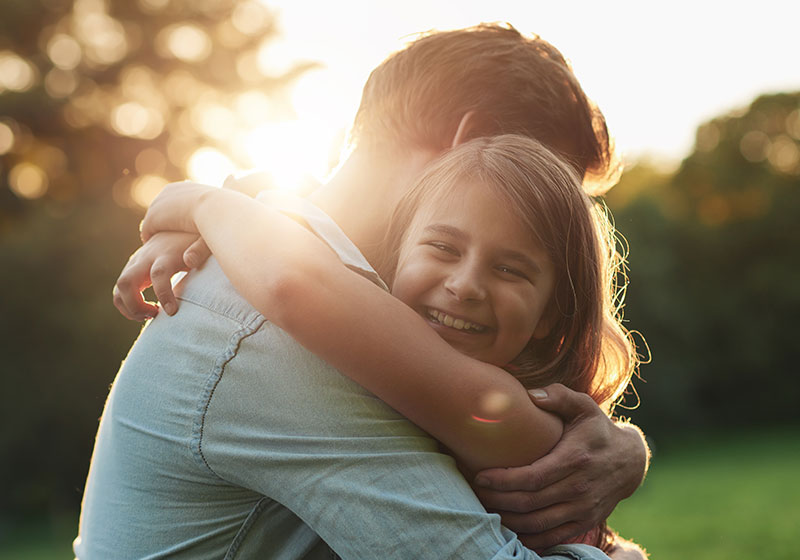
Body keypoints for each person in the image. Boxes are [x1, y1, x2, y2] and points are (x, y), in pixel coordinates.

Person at [78, 24, 648, 559]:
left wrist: (624, 449)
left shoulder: (342, 291)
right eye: (536, 184)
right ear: (472, 146)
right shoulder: (282, 331)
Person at [136, 134, 641, 554]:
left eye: (509, 269)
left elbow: (295, 284)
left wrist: (206, 204)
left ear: (548, 318)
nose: (465, 285)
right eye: (442, 248)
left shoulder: (508, 408)